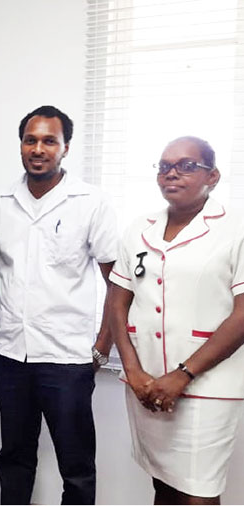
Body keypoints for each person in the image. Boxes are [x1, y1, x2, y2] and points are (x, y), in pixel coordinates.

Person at [0, 105, 118, 504]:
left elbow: (118, 285)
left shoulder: (91, 202)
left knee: (76, 465)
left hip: (67, 357)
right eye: (30, 139)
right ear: (21, 145)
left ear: (66, 148)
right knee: (14, 457)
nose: (38, 148)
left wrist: (102, 346)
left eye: (49, 141)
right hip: (7, 353)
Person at [108, 136, 244, 505]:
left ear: (212, 176)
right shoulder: (140, 227)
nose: (172, 173)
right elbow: (118, 302)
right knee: (164, 484)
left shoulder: (236, 229)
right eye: (165, 166)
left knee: (198, 493)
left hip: (208, 386)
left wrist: (182, 375)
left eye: (186, 166)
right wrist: (133, 372)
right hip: (146, 385)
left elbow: (243, 314)